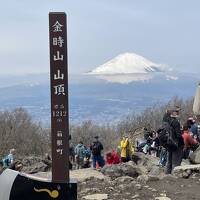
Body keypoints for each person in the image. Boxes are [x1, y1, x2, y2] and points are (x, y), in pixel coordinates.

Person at [165, 108, 184, 174]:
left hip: (169, 143)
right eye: (177, 111)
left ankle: (167, 176)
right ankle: (175, 176)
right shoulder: (176, 122)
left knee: (169, 161)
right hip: (176, 144)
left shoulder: (167, 121)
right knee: (175, 162)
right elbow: (178, 135)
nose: (178, 112)